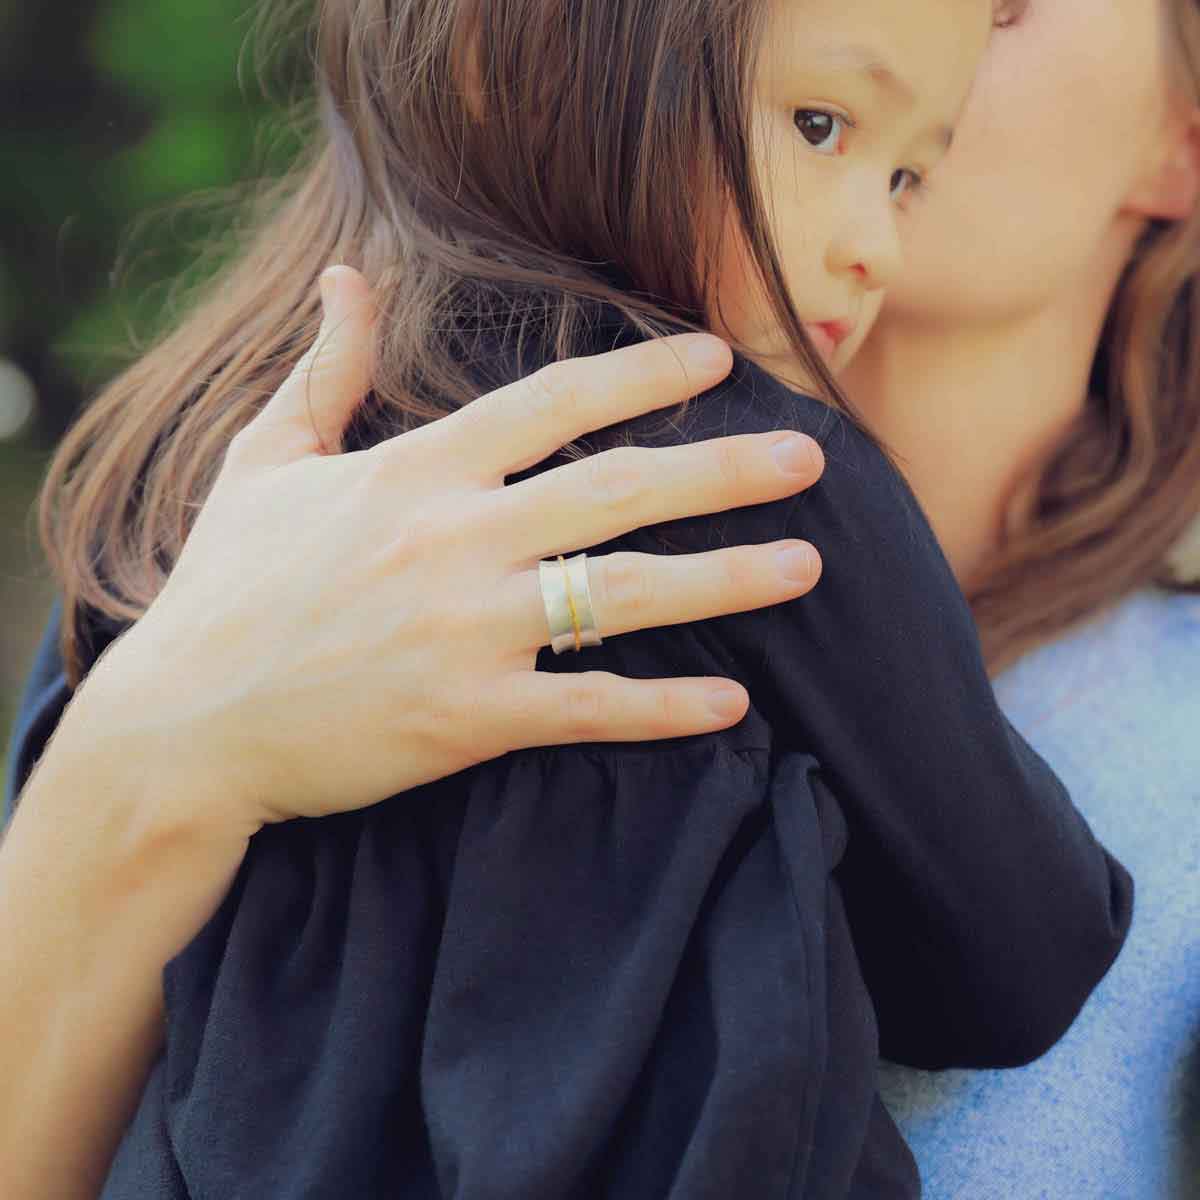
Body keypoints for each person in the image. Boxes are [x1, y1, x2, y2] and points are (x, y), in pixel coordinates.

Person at [2, 0, 1136, 1195]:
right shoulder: (750, 469)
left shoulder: (180, 472)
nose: (878, 245)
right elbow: (1022, 955)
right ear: (515, 64)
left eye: (908, 176)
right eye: (820, 125)